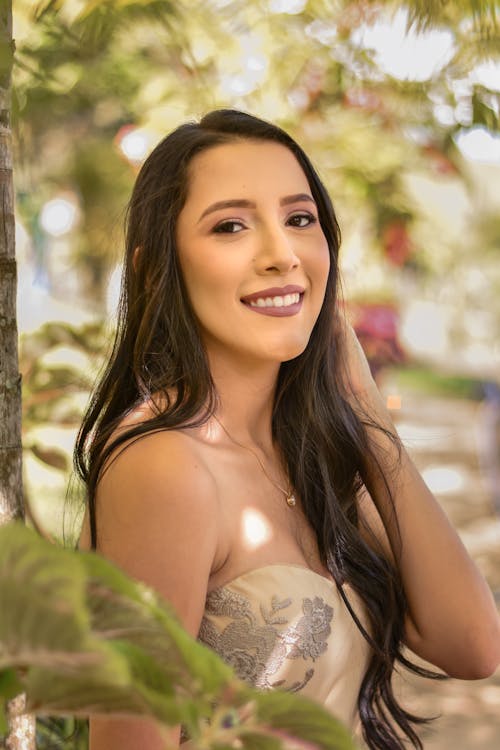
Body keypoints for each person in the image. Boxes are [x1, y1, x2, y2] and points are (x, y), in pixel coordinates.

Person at [77, 109, 500, 750]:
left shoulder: (312, 448)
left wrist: (367, 418)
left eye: (299, 219)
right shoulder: (166, 465)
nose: (282, 254)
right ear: (156, 269)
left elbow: (471, 645)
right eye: (230, 226)